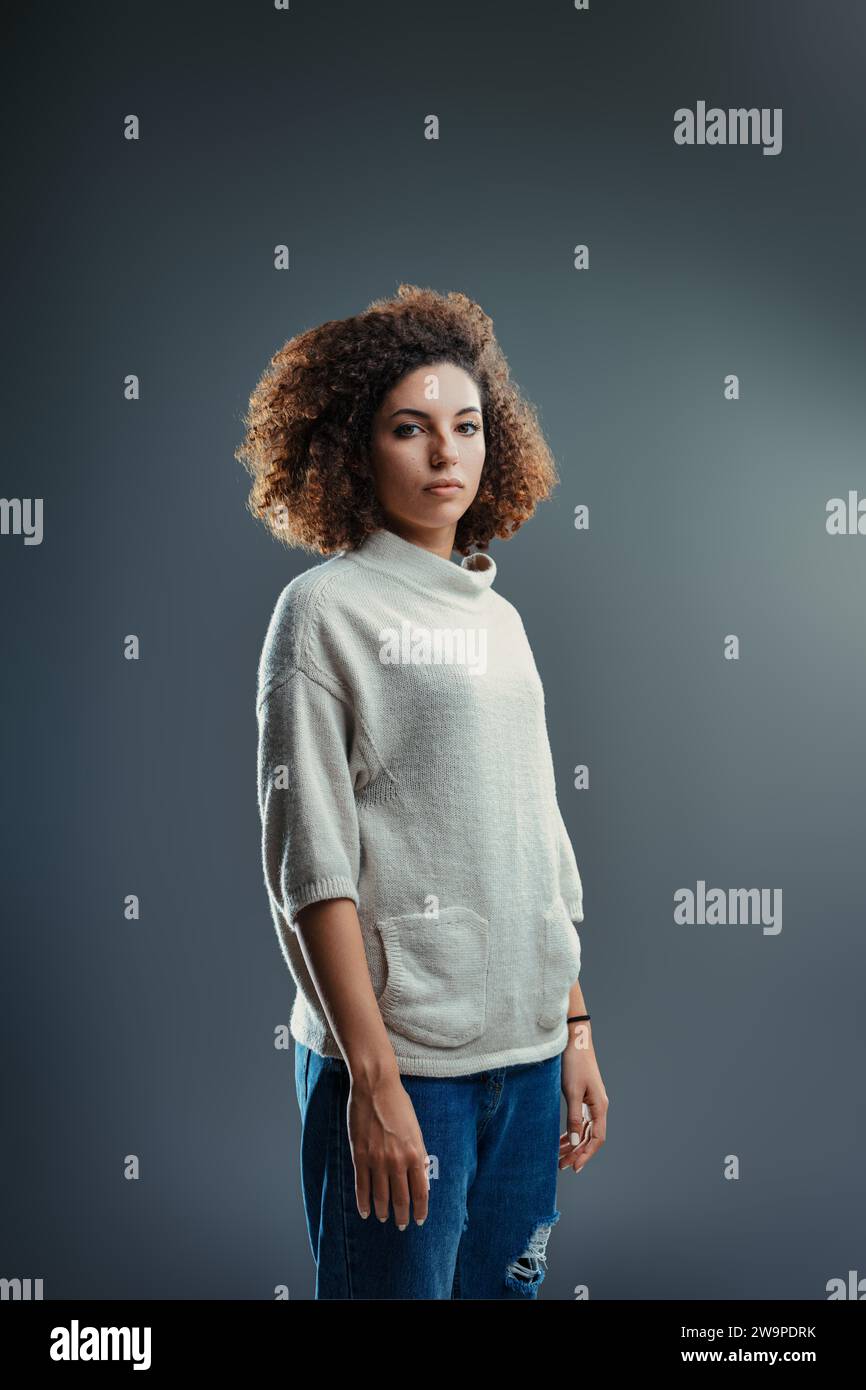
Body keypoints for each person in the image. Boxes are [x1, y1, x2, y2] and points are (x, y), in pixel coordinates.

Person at [236, 283, 609, 1300]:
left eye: (465, 426)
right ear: (355, 448)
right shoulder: (320, 614)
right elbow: (307, 868)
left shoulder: (499, 619)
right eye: (411, 429)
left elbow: (536, 836)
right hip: (405, 1073)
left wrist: (569, 1027)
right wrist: (372, 1077)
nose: (446, 454)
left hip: (526, 1063)